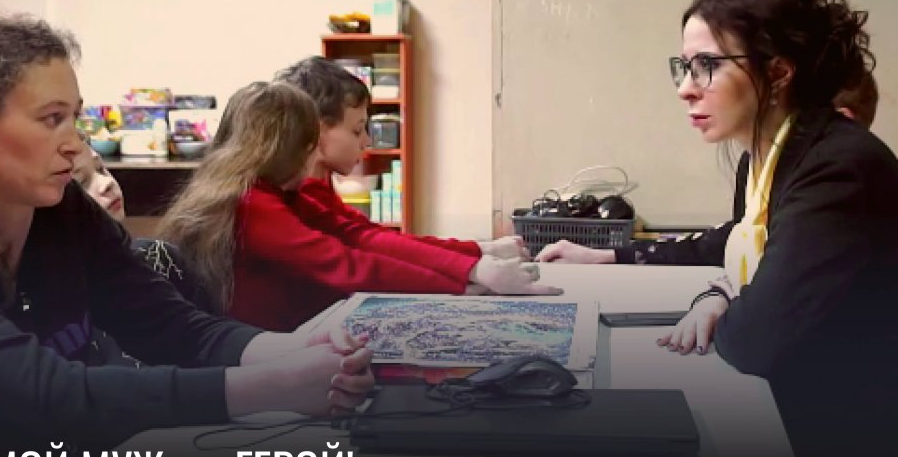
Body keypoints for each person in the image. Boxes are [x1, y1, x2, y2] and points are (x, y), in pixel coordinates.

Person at [0, 13, 374, 457]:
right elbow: (48, 395)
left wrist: (292, 349)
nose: (75, 144)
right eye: (51, 119)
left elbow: (170, 325)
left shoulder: (57, 208)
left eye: (74, 117)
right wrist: (273, 386)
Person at [612, 0, 898, 457]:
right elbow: (739, 247)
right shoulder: (764, 159)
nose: (686, 89)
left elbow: (755, 338)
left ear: (778, 73)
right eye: (684, 67)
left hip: (891, 437)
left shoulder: (837, 166)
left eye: (707, 66)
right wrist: (632, 260)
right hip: (825, 399)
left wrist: (726, 298)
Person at [158, 80, 556, 333]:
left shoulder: (276, 194)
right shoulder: (252, 204)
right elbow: (347, 264)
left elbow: (360, 237)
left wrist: (472, 263)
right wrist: (464, 284)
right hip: (268, 348)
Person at [535, 69, 881, 267]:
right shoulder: (757, 162)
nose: (686, 90)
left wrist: (720, 299)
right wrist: (611, 255)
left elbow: (773, 300)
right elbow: (730, 241)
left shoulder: (841, 182)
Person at [274, 56, 530, 265]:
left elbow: (378, 238)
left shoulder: (320, 186)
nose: (367, 141)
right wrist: (471, 268)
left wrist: (478, 251)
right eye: (357, 130)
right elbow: (368, 250)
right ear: (317, 131)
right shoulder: (298, 195)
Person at [72, 135, 218, 313]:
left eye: (101, 169)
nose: (106, 183)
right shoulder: (61, 291)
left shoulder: (161, 259)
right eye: (82, 184)